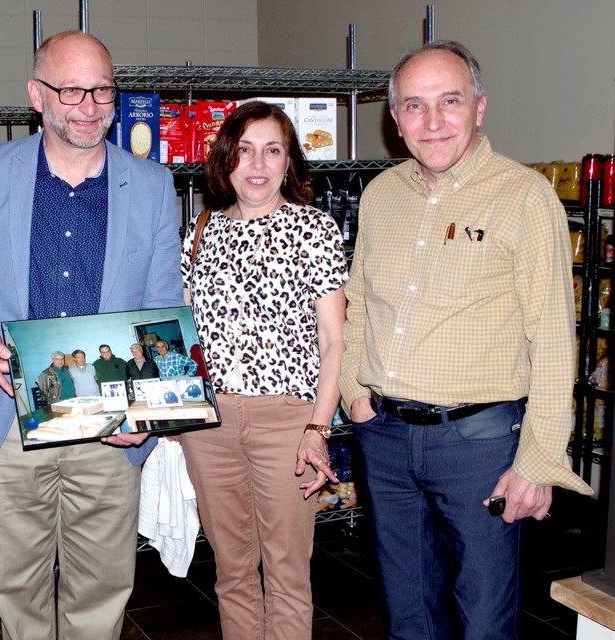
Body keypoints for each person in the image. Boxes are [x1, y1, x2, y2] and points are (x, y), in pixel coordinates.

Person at [0, 30, 183, 639]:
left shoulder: (150, 185)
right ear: (36, 95)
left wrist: (145, 415)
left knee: (102, 588)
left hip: (110, 422)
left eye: (101, 90)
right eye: (70, 89)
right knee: (16, 585)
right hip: (10, 415)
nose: (88, 105)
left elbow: (163, 305)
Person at [338, 40, 594, 640]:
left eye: (449, 102)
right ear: (395, 118)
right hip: (385, 437)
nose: (432, 122)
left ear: (479, 107)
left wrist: (536, 463)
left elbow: (556, 342)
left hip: (479, 448)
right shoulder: (381, 196)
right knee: (408, 616)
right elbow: (361, 307)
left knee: (483, 619)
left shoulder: (526, 198)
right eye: (415, 106)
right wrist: (354, 389)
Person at [180, 100, 345, 640]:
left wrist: (318, 428)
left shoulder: (315, 229)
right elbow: (183, 331)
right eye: (245, 149)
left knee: (287, 573)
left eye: (272, 150)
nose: (257, 164)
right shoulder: (199, 231)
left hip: (288, 422)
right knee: (231, 572)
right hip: (210, 425)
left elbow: (334, 340)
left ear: (289, 161)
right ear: (225, 159)